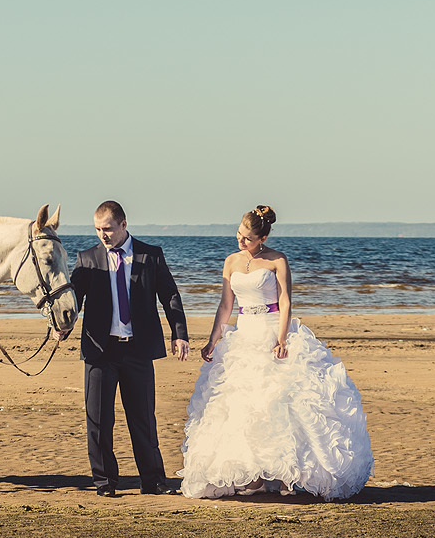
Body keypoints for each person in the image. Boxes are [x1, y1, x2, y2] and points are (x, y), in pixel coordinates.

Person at [183, 206, 373, 500]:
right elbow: (225, 306)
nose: (241, 242)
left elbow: (285, 301)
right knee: (246, 405)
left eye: (247, 238)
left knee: (281, 401)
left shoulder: (277, 260)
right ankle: (255, 477)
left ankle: (288, 476)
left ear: (263, 237)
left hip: (271, 330)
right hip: (243, 334)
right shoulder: (231, 262)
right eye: (239, 235)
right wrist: (212, 340)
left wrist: (282, 338)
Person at [62, 201, 188, 497]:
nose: (102, 235)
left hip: (138, 351)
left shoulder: (150, 255)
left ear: (123, 224)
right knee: (99, 422)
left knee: (143, 419)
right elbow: (74, 299)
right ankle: (105, 482)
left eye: (107, 229)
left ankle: (154, 480)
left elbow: (169, 295)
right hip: (99, 351)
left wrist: (178, 334)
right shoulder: (87, 258)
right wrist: (62, 326)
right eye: (97, 229)